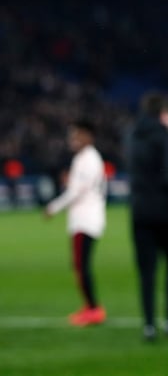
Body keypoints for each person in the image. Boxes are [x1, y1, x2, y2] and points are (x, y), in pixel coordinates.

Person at [127, 92, 168, 342]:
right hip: (165, 213)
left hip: (140, 212)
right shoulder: (165, 137)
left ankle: (148, 325)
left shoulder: (132, 136)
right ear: (163, 113)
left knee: (146, 272)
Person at [44, 119, 108, 326]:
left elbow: (77, 192)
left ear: (88, 136)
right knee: (79, 265)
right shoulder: (85, 158)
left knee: (81, 265)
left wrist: (53, 207)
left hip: (86, 219)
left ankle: (93, 309)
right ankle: (90, 306)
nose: (72, 139)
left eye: (77, 135)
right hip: (84, 218)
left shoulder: (88, 159)